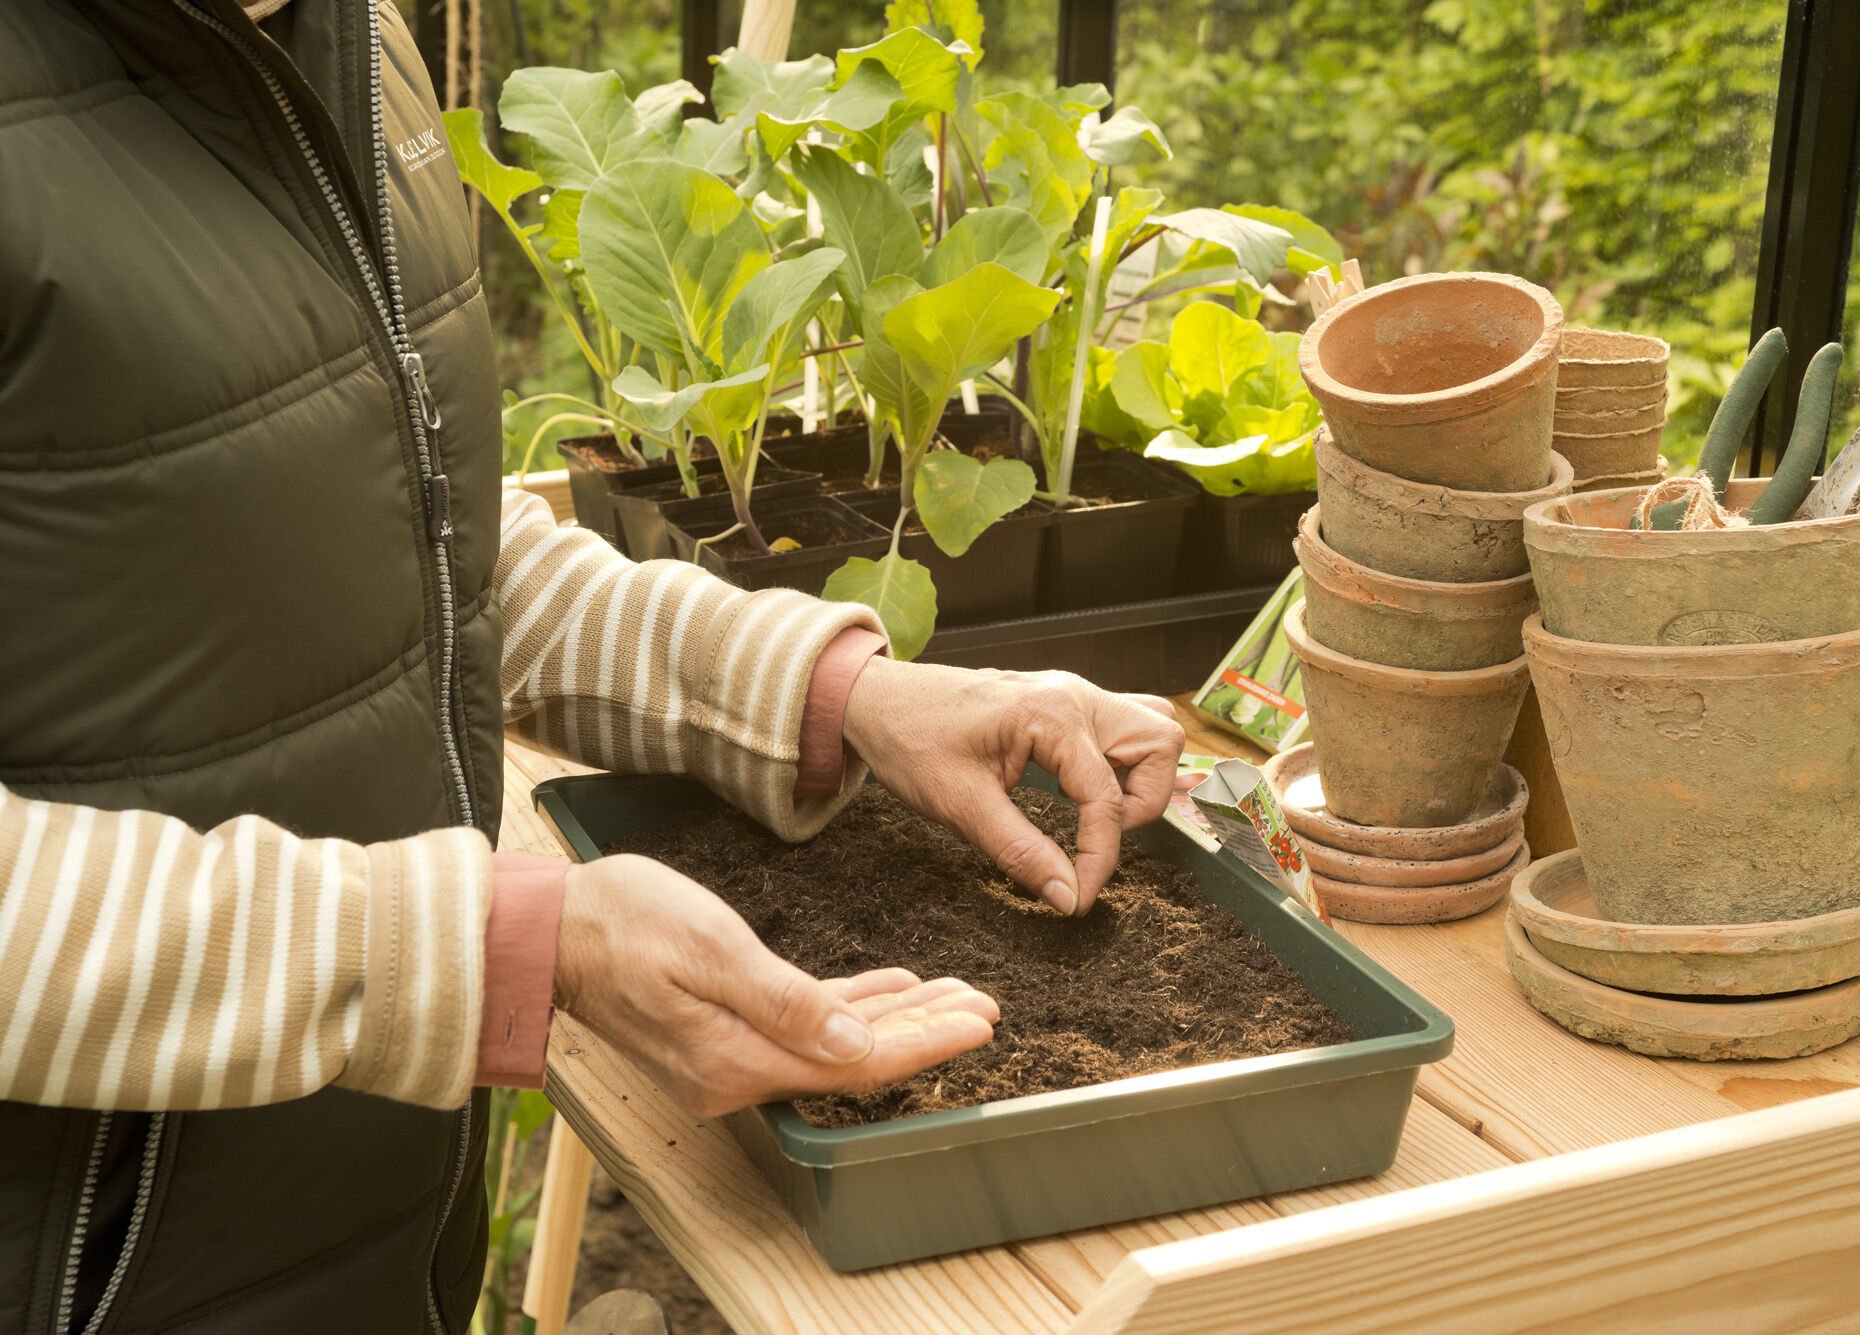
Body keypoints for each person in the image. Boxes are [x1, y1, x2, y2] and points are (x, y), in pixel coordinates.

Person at [0, 0, 1185, 1329]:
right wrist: (502, 945)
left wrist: (835, 692)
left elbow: (410, 529)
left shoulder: (354, 42)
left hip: (354, 1232)